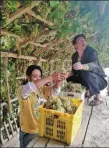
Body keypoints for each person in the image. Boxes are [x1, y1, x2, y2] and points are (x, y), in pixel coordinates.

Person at [17, 65, 66, 148]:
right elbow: (29, 87)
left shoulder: (41, 89)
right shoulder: (22, 89)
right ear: (28, 77)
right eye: (35, 76)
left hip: (42, 129)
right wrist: (51, 77)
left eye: (40, 76)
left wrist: (57, 84)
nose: (38, 78)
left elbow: (53, 92)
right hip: (29, 132)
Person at [66, 34, 107, 106]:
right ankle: (86, 92)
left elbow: (95, 65)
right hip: (85, 79)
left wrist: (82, 66)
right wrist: (70, 73)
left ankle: (98, 97)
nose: (83, 41)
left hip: (98, 80)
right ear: (75, 46)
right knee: (70, 78)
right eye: (80, 40)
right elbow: (74, 71)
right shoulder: (74, 56)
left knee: (86, 74)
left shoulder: (91, 52)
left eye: (84, 39)